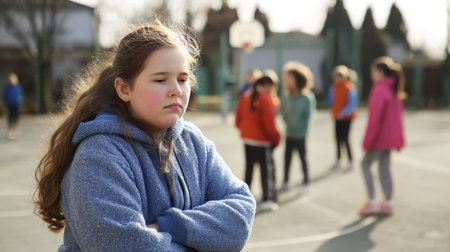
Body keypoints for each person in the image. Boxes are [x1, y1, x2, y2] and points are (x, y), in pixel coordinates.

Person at [34, 22, 256, 251]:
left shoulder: (193, 141)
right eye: (160, 80)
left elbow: (242, 212)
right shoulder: (98, 155)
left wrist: (167, 227)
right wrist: (205, 240)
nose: (176, 91)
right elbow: (124, 245)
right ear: (124, 89)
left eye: (183, 79)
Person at [358, 56, 406, 216]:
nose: (372, 75)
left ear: (379, 72)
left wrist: (367, 141)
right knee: (384, 167)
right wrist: (398, 139)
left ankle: (371, 201)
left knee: (365, 164)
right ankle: (387, 201)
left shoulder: (380, 90)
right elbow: (398, 119)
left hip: (379, 138)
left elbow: (374, 120)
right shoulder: (393, 90)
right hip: (389, 139)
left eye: (373, 72)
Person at [235, 73, 281, 211]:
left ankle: (245, 199)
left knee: (249, 170)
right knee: (266, 171)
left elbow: (238, 119)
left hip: (248, 139)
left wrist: (246, 131)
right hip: (262, 141)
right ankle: (267, 199)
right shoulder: (265, 99)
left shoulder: (245, 97)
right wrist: (276, 138)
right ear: (268, 85)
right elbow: (269, 124)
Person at [280, 62, 316, 193]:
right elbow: (283, 112)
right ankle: (285, 181)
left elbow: (308, 116)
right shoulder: (285, 96)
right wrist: (287, 121)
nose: (288, 81)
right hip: (289, 133)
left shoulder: (307, 97)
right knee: (287, 158)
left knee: (303, 158)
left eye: (291, 78)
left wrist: (297, 124)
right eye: (287, 78)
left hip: (301, 134)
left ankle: (306, 181)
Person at [328, 65, 358, 170]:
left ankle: (350, 160)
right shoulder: (333, 87)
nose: (338, 77)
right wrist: (335, 112)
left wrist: (343, 113)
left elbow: (352, 104)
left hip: (347, 118)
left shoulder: (349, 87)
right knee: (337, 138)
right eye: (337, 75)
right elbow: (331, 101)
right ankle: (338, 159)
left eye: (340, 75)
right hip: (337, 117)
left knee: (345, 139)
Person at [3, 73, 24, 140]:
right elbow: (5, 96)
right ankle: (10, 130)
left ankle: (15, 129)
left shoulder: (18, 87)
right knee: (10, 117)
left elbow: (21, 94)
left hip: (16, 104)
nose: (11, 81)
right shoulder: (7, 88)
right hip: (10, 105)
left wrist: (19, 100)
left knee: (16, 117)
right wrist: (6, 102)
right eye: (10, 80)